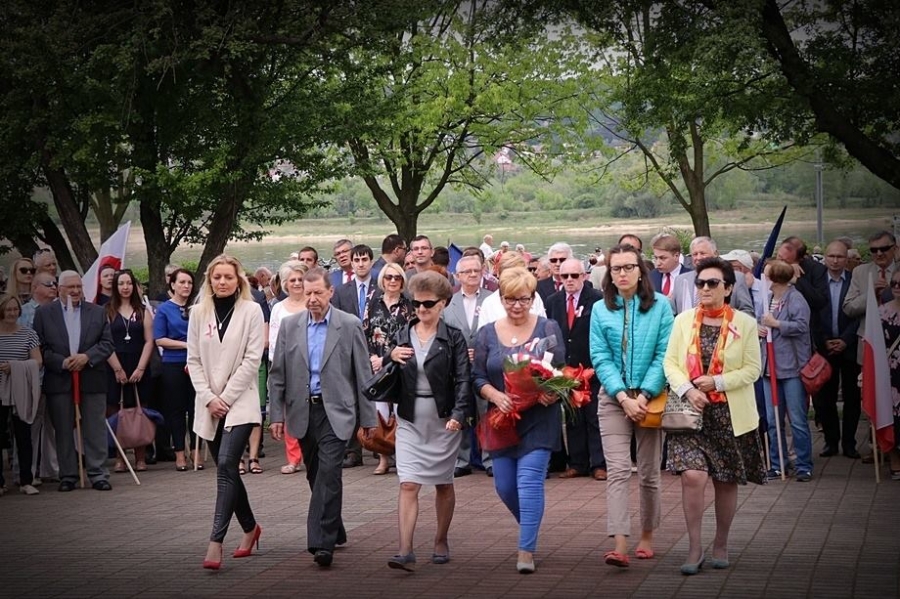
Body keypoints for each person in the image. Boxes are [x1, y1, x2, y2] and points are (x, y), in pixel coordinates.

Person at [267, 267, 376, 568]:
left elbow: (363, 373)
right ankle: (335, 528)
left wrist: (369, 418)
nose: (312, 298)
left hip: (336, 412)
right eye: (308, 293)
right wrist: (276, 415)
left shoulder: (349, 325)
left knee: (329, 473)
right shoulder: (290, 325)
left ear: (330, 292)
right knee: (316, 474)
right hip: (303, 411)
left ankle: (320, 542)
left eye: (318, 292)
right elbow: (277, 374)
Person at [664, 257, 766, 575]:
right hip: (690, 411)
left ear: (728, 288)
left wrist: (717, 382)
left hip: (729, 414)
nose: (705, 288)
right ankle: (694, 546)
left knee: (725, 479)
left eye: (712, 283)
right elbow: (670, 363)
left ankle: (721, 542)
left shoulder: (744, 324)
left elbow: (753, 369)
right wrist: (688, 389)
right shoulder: (683, 321)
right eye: (700, 283)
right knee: (693, 476)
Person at [472, 267, 565, 574]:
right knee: (505, 487)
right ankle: (530, 526)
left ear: (533, 298)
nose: (516, 305)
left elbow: (559, 371)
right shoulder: (486, 333)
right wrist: (494, 395)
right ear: (501, 299)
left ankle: (526, 550)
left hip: (539, 418)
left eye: (523, 299)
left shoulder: (547, 327)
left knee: (528, 482)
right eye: (510, 299)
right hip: (502, 419)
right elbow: (478, 376)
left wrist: (551, 392)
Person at [589, 244, 674, 568]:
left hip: (650, 398)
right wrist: (623, 396)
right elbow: (600, 357)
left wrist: (644, 395)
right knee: (618, 470)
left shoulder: (661, 306)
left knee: (649, 472)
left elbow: (665, 354)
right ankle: (620, 543)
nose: (622, 273)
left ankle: (647, 535)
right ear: (609, 274)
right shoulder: (600, 309)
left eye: (629, 267)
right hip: (614, 398)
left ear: (641, 271)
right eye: (616, 268)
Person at [381, 270, 471, 571]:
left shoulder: (453, 337)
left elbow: (463, 379)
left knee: (443, 483)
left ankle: (441, 539)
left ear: (443, 303)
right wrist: (390, 356)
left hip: (443, 420)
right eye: (416, 303)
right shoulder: (402, 333)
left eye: (428, 303)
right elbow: (384, 371)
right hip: (409, 417)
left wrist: (459, 414)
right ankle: (405, 549)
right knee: (409, 483)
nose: (421, 309)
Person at [187, 255, 265, 570]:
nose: (222, 282)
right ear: (210, 280)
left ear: (238, 280)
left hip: (240, 401)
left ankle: (215, 541)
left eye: (228, 277)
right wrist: (209, 398)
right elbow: (193, 359)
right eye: (217, 277)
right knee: (228, 469)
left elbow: (252, 359)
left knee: (225, 464)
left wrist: (226, 397)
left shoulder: (251, 311)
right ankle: (250, 528)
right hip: (208, 403)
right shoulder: (198, 312)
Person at [33, 271, 115, 492]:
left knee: (95, 428)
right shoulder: (44, 313)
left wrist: (87, 357)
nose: (76, 291)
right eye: (71, 287)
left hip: (92, 377)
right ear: (59, 289)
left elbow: (107, 344)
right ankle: (68, 475)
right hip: (59, 380)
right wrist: (61, 362)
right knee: (62, 429)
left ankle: (98, 473)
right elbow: (40, 347)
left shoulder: (97, 312)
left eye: (78, 286)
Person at [545, 258, 607, 480]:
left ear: (584, 276)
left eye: (574, 275)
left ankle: (599, 464)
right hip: (566, 368)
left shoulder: (597, 299)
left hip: (592, 366)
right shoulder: (553, 301)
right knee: (573, 417)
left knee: (594, 416)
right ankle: (578, 463)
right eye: (565, 276)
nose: (569, 280)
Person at [760, 259, 814, 481]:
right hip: (769, 368)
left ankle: (804, 465)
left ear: (773, 278)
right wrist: (760, 328)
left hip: (791, 368)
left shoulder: (795, 298)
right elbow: (762, 321)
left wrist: (777, 324)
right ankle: (777, 463)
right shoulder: (767, 299)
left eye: (766, 275)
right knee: (773, 420)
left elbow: (802, 326)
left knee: (797, 420)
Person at [362, 261, 415, 475]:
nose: (393, 281)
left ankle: (403, 457)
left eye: (397, 277)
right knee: (380, 413)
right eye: (388, 277)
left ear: (402, 281)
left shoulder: (409, 305)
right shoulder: (372, 303)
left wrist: (388, 358)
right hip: (377, 366)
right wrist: (373, 358)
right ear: (382, 280)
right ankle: (383, 457)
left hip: (401, 364)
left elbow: (412, 335)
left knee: (400, 413)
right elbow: (364, 333)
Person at [444, 254, 491, 477]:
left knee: (487, 413)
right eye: (467, 271)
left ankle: (490, 459)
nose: (472, 274)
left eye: (476, 270)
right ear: (458, 275)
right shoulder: (448, 303)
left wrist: (481, 351)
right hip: (458, 367)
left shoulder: (492, 300)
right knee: (460, 410)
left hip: (485, 366)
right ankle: (461, 460)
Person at [105, 270, 155, 473]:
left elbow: (149, 341)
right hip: (114, 366)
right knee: (117, 413)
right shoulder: (107, 311)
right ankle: (120, 457)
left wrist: (140, 368)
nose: (125, 287)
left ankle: (140, 457)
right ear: (115, 287)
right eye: (121, 283)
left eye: (128, 283)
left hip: (138, 364)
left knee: (139, 411)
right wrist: (117, 369)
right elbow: (105, 342)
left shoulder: (142, 311)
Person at [816, 241, 861, 459]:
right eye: (831, 256)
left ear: (847, 259)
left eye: (840, 257)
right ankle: (830, 442)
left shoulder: (854, 281)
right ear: (825, 257)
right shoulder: (816, 282)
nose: (835, 261)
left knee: (852, 397)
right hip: (825, 347)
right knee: (826, 398)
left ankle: (850, 443)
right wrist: (824, 340)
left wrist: (845, 339)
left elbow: (860, 314)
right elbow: (813, 315)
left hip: (849, 346)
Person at [153, 268, 201, 471]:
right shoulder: (164, 309)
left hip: (197, 363)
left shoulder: (198, 307)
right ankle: (179, 452)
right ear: (172, 285)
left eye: (189, 282)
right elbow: (159, 339)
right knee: (176, 409)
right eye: (181, 282)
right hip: (173, 363)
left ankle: (196, 451)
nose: (186, 286)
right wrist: (186, 345)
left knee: (196, 407)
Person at [268, 260, 309, 475]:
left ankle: (311, 454)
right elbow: (274, 342)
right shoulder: (278, 308)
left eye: (300, 279)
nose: (297, 283)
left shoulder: (313, 303)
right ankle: (293, 459)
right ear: (285, 283)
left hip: (313, 366)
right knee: (290, 412)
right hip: (289, 367)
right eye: (292, 280)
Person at [0, 294, 43, 495]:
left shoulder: (29, 334)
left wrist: (15, 367)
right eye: (8, 309)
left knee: (24, 435)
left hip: (21, 391)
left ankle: (26, 480)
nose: (12, 313)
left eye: (15, 309)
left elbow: (38, 361)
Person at [671, 236, 755, 317]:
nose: (698, 257)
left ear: (715, 254)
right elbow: (672, 313)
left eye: (703, 253)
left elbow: (747, 311)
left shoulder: (737, 277)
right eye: (695, 254)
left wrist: (727, 321)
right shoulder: (680, 280)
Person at [879, 269, 900, 479]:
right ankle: (895, 460)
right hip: (891, 373)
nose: (897, 287)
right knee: (892, 417)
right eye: (893, 283)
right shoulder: (882, 312)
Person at [650, 233, 690, 298]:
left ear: (676, 256)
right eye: (656, 258)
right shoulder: (651, 276)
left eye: (662, 258)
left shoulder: (691, 276)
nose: (658, 263)